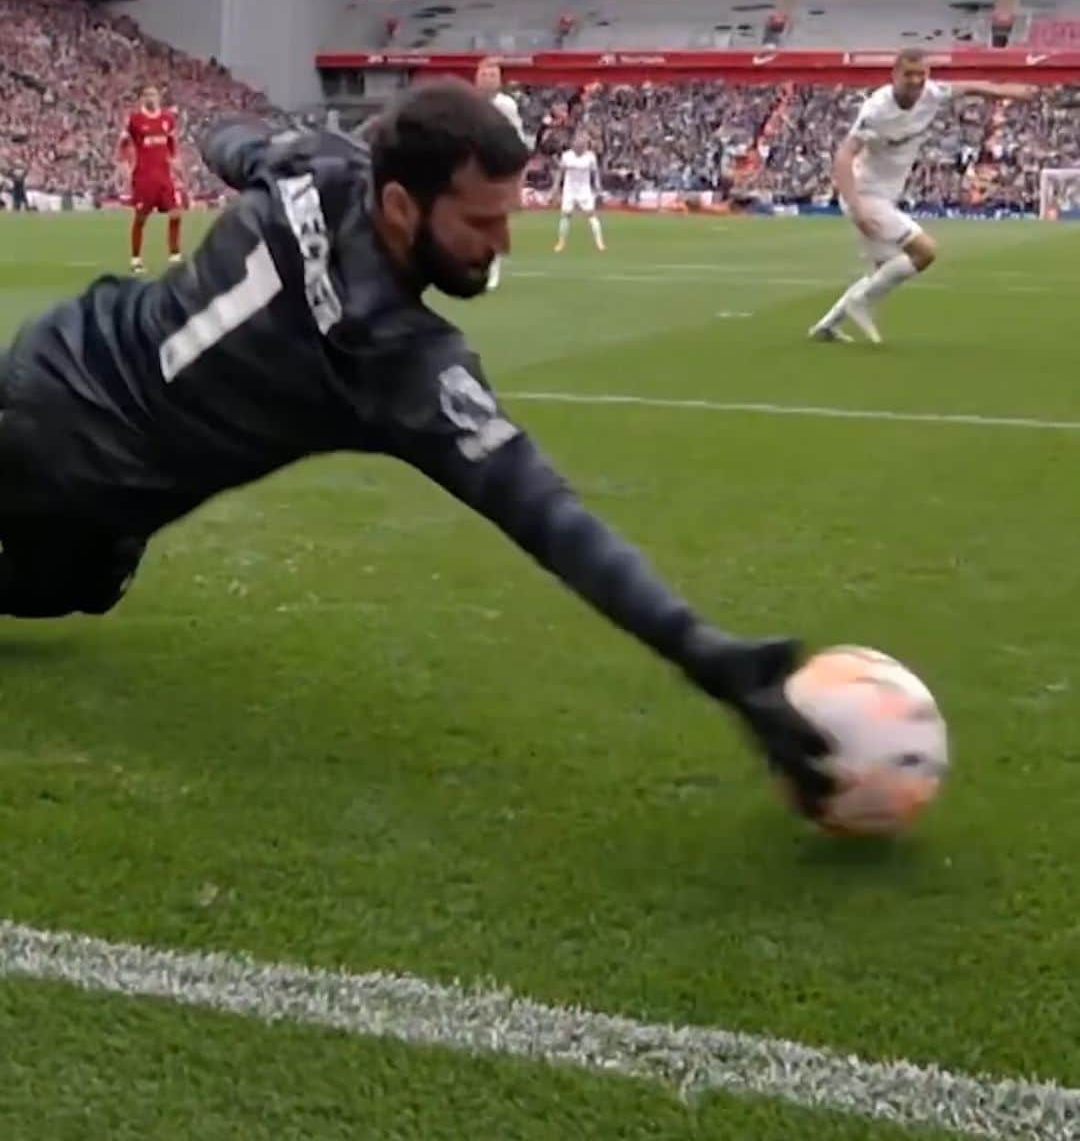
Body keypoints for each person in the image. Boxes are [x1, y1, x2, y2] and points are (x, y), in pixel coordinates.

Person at [0, 79, 830, 815]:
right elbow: (550, 518)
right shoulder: (395, 358)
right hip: (85, 475)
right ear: (401, 205)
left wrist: (248, 143)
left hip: (53, 364)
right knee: (72, 569)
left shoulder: (314, 165)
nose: (502, 242)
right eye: (481, 221)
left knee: (92, 579)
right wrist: (704, 653)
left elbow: (227, 136)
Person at [809, 52, 1036, 344]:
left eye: (922, 74)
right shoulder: (877, 110)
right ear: (895, 75)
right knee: (924, 252)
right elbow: (843, 156)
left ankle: (827, 327)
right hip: (864, 195)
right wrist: (857, 209)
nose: (916, 81)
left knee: (883, 272)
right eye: (909, 75)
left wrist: (1006, 91)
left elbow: (968, 86)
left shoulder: (931, 94)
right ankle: (861, 302)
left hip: (886, 195)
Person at [473, 58, 529, 289]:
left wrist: (516, 178)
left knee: (493, 220)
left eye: (494, 76)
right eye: (485, 75)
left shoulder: (506, 105)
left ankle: (492, 267)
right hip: (471, 169)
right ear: (477, 78)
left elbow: (518, 139)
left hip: (495, 169)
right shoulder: (467, 103)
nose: (489, 80)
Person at [120, 83, 184, 274]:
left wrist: (175, 161)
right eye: (147, 94)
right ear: (142, 98)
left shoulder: (167, 119)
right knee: (140, 218)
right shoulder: (135, 119)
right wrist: (124, 163)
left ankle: (175, 255)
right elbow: (123, 143)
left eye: (153, 94)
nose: (151, 97)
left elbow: (172, 143)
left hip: (164, 176)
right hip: (144, 177)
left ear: (158, 97)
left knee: (176, 213)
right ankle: (136, 259)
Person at [554, 126, 605, 254]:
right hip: (569, 189)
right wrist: (555, 187)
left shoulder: (590, 157)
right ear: (574, 143)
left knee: (591, 215)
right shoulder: (567, 156)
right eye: (578, 142)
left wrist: (598, 186)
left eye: (583, 143)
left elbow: (595, 173)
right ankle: (561, 242)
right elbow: (560, 172)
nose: (581, 145)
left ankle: (599, 242)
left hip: (584, 190)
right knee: (566, 215)